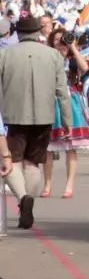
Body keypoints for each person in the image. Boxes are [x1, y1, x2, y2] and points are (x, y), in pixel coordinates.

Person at [0, 15, 73, 229]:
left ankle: (23, 198)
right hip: (44, 117)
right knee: (33, 163)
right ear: (38, 33)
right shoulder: (53, 56)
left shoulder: (5, 55)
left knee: (12, 161)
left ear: (18, 33)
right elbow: (62, 92)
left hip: (13, 116)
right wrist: (67, 120)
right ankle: (28, 203)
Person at [44, 27, 89, 198]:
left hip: (70, 101)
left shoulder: (72, 60)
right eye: (57, 40)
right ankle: (47, 184)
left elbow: (85, 67)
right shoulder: (47, 56)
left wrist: (72, 47)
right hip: (50, 100)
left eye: (63, 39)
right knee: (47, 147)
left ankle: (69, 184)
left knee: (71, 147)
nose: (61, 43)